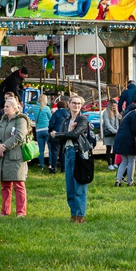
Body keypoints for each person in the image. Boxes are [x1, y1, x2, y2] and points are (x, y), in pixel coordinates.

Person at [51, 94, 95, 223]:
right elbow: (61, 139)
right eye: (74, 103)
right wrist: (64, 134)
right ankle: (73, 214)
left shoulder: (82, 120)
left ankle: (80, 216)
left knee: (79, 186)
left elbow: (74, 134)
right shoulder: (65, 120)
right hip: (68, 153)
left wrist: (59, 134)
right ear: (69, 104)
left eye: (79, 104)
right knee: (70, 187)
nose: (76, 106)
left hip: (79, 153)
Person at [0, 97, 30, 217]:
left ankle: (21, 212)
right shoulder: (3, 120)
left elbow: (19, 136)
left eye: (8, 106)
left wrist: (5, 146)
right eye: (5, 106)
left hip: (16, 157)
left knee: (19, 185)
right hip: (3, 157)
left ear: (15, 108)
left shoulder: (21, 120)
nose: (5, 108)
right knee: (5, 186)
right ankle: (4, 211)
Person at [114, 99, 136, 187]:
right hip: (128, 138)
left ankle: (118, 180)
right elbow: (134, 128)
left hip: (121, 137)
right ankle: (130, 181)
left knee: (124, 160)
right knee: (131, 160)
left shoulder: (129, 111)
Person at [29, 94, 52, 171]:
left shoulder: (34, 107)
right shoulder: (47, 108)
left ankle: (42, 165)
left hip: (38, 131)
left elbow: (27, 111)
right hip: (46, 130)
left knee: (41, 150)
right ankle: (50, 164)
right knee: (49, 148)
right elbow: (50, 118)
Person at [48, 100, 69, 174]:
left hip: (56, 134)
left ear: (58, 106)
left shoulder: (55, 114)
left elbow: (51, 124)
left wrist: (51, 131)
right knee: (63, 152)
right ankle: (64, 168)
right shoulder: (68, 114)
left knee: (54, 152)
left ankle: (54, 168)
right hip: (64, 134)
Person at [101, 99, 120, 170]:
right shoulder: (106, 112)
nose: (114, 107)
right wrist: (114, 131)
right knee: (108, 148)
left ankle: (114, 163)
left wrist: (117, 131)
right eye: (113, 106)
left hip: (115, 133)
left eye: (115, 106)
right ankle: (109, 164)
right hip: (109, 133)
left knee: (114, 149)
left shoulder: (116, 112)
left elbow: (117, 123)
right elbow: (107, 124)